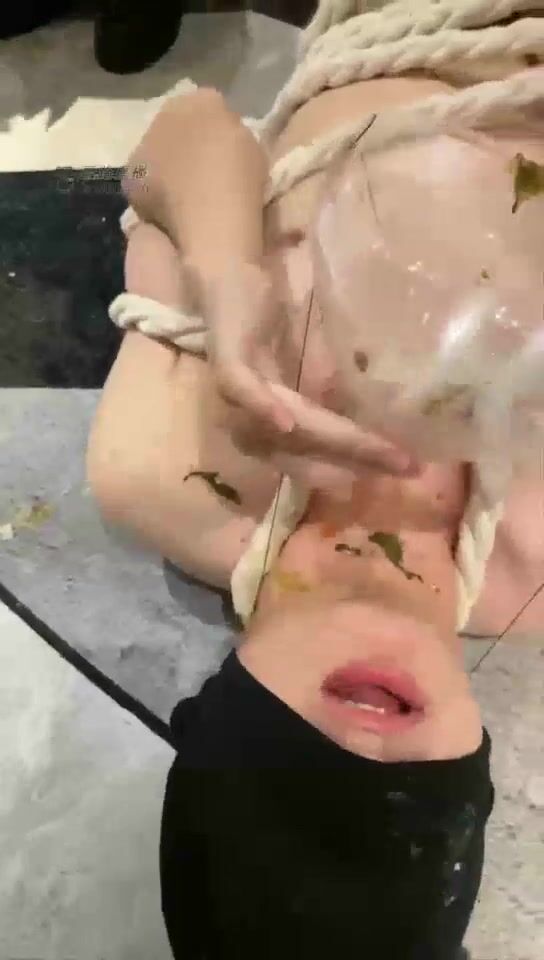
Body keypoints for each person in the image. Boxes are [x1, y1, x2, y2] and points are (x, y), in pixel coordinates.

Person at [86, 1, 543, 956]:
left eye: (286, 813)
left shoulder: (164, 474)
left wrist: (226, 271)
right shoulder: (535, 567)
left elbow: (183, 132)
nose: (360, 756)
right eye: (406, 842)